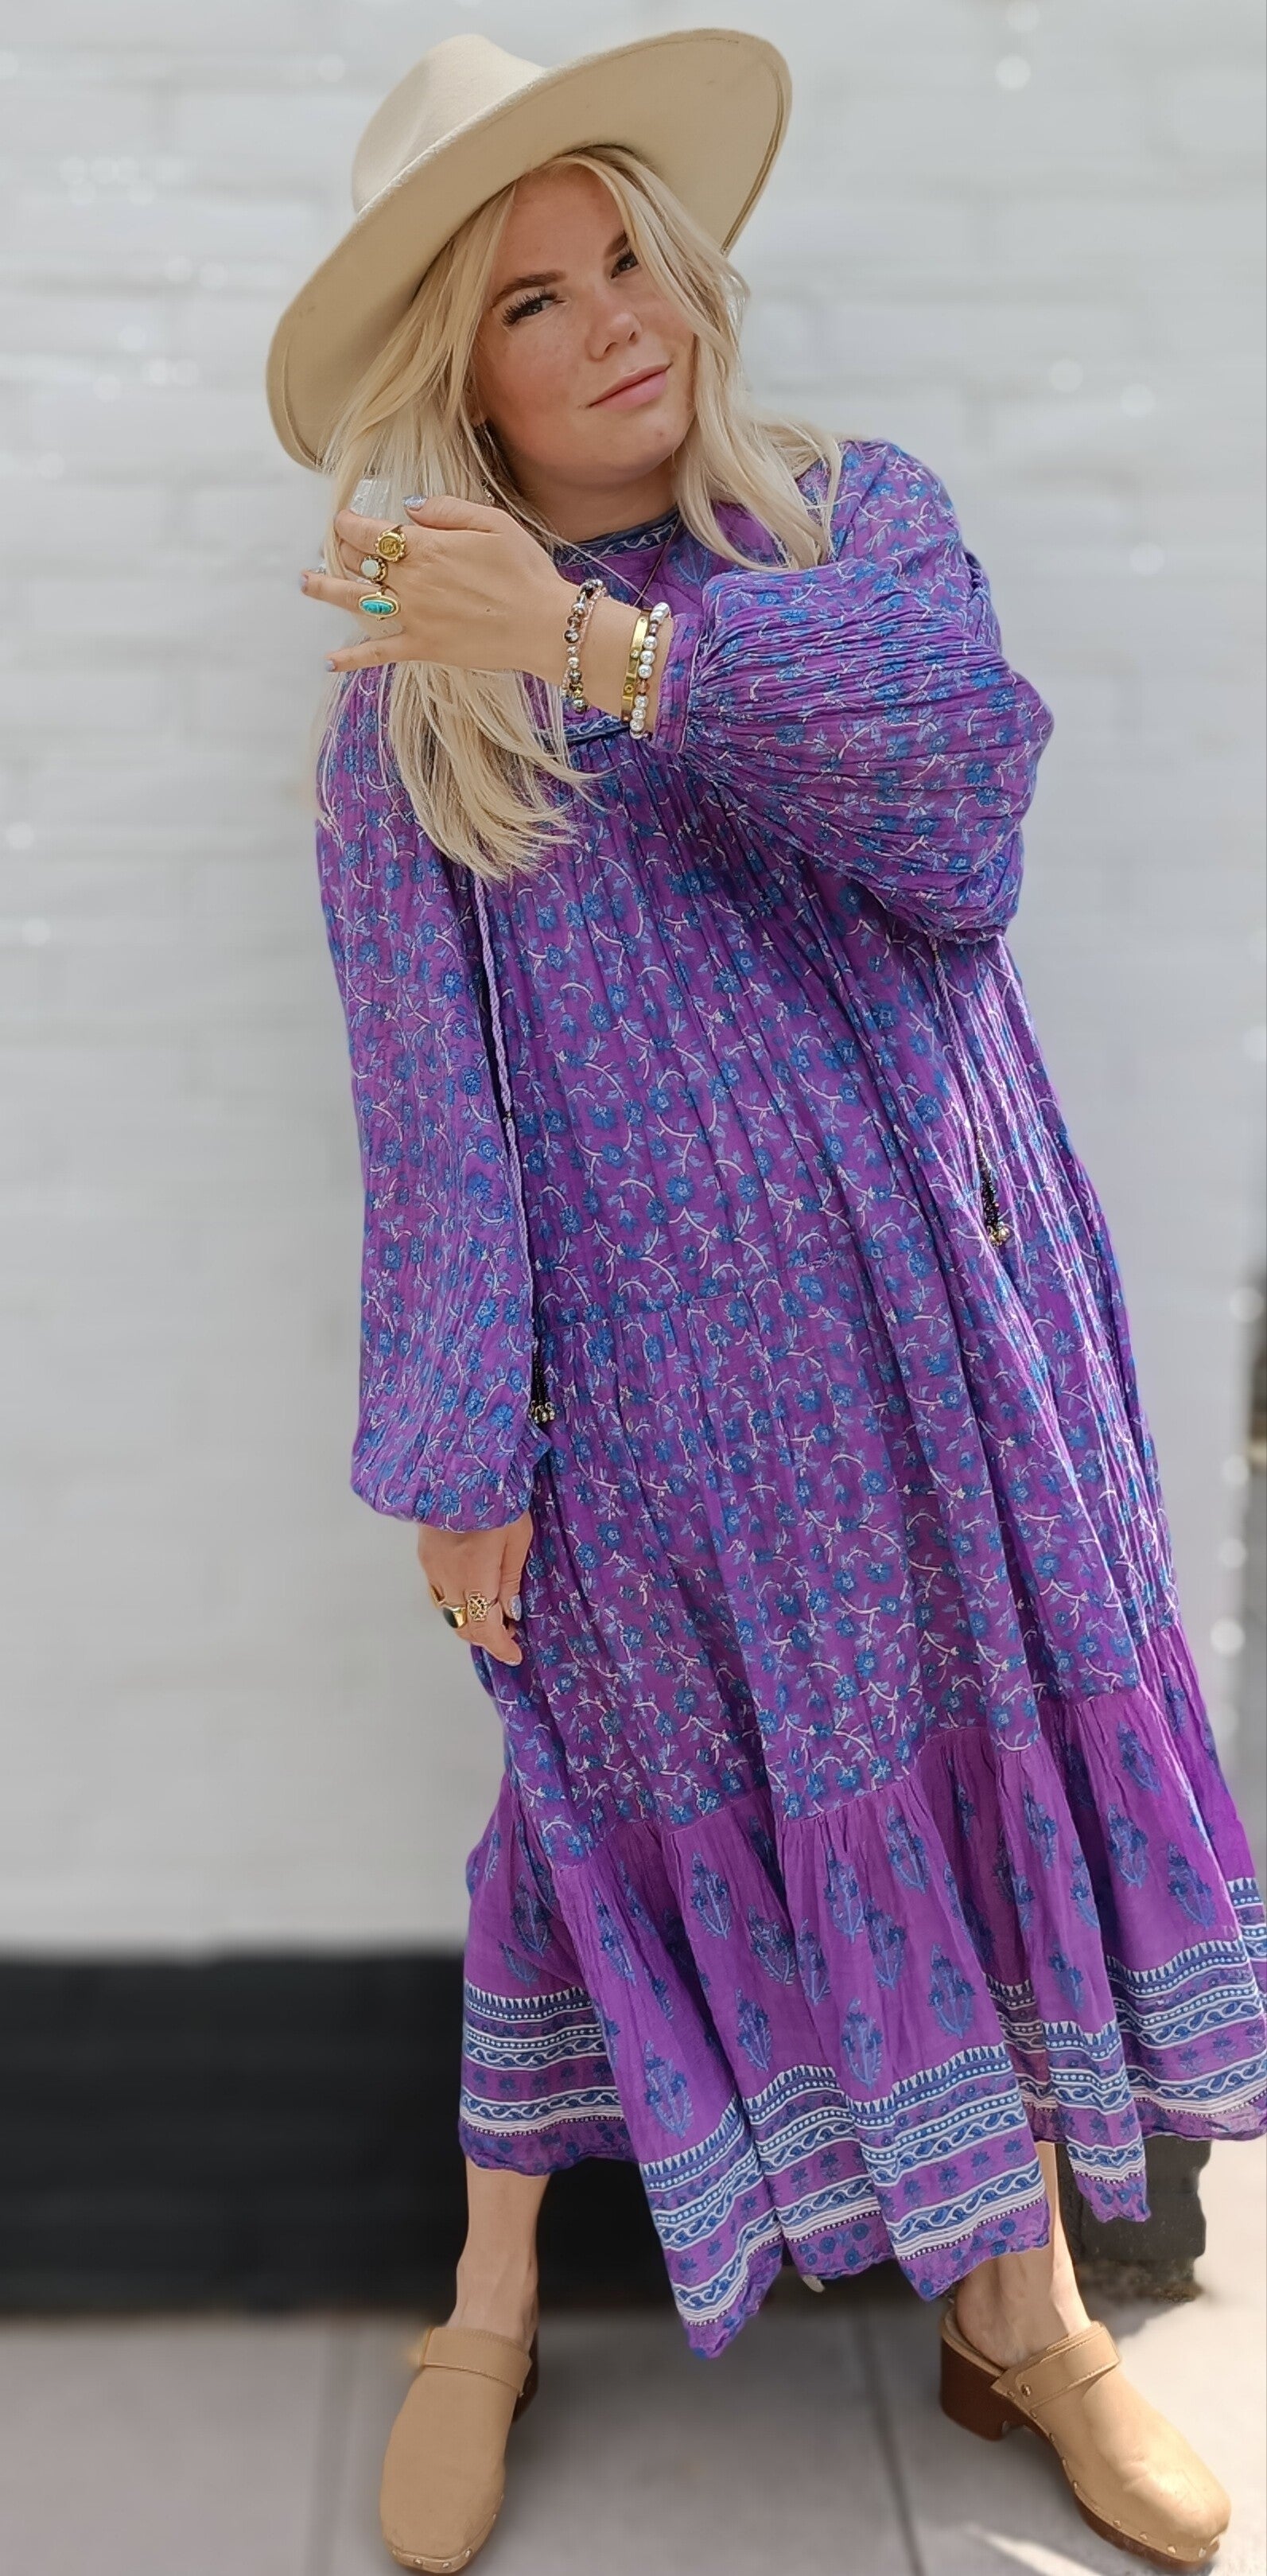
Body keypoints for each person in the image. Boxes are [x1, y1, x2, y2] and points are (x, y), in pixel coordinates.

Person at [268, 29, 1266, 2574]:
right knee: (581, 1820)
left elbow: (962, 827)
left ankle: (1027, 2320)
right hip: (658, 1422)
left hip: (962, 1346)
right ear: (463, 375)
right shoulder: (407, 712)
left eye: (628, 258)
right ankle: (486, 2305)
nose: (613, 321)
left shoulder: (850, 525)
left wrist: (611, 647)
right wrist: (460, 1454)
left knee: (976, 1783)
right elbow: (430, 1111)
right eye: (534, 300)